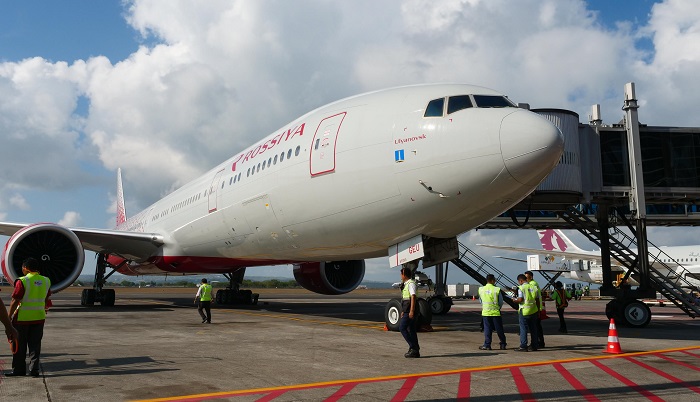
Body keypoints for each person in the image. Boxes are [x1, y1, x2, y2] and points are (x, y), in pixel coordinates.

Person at [7, 257, 52, 377]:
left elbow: (15, 300)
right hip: (39, 318)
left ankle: (19, 370)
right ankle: (34, 370)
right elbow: (47, 298)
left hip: (22, 319)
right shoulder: (46, 280)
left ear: (25, 268)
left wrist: (9, 316)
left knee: (19, 346)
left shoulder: (22, 281)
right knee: (35, 345)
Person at [478, 274, 507, 350]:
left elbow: (480, 301)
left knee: (487, 329)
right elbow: (500, 302)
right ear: (492, 280)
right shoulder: (497, 289)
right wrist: (498, 308)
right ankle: (503, 344)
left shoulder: (481, 289)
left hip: (486, 312)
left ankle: (487, 345)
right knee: (499, 329)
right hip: (495, 312)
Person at [513, 274, 539, 352]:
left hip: (524, 311)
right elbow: (537, 300)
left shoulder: (521, 288)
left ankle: (523, 346)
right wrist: (538, 310)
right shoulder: (534, 287)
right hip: (533, 310)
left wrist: (514, 300)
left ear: (520, 280)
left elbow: (520, 299)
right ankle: (534, 345)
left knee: (523, 328)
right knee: (533, 328)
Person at [399, 267, 420, 358]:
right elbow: (406, 299)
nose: (400, 276)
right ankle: (415, 351)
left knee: (402, 328)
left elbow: (413, 297)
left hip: (410, 311)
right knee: (411, 330)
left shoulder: (411, 284)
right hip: (407, 310)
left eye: (401, 274)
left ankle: (414, 347)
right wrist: (403, 311)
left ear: (404, 275)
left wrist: (411, 311)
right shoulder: (407, 284)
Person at [524, 271, 544, 348]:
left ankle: (537, 342)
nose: (525, 279)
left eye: (526, 277)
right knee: (537, 327)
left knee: (535, 327)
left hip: (535, 308)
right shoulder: (533, 283)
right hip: (535, 308)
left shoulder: (533, 284)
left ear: (531, 277)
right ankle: (539, 342)